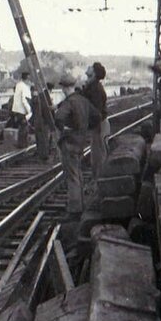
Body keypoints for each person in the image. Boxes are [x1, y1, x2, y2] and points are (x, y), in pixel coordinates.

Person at [55, 74, 99, 218]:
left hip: (69, 142)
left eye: (63, 88)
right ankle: (81, 204)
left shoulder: (69, 102)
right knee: (78, 173)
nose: (62, 91)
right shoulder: (83, 101)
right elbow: (97, 116)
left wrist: (66, 129)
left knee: (72, 176)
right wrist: (85, 129)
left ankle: (74, 209)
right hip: (81, 142)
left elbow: (59, 118)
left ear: (66, 88)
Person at [82, 62, 108, 181]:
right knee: (96, 153)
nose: (88, 67)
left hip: (98, 125)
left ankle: (99, 180)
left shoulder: (95, 89)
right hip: (97, 125)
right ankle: (97, 179)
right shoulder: (92, 86)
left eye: (91, 67)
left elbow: (96, 112)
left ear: (94, 74)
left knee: (98, 155)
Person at [12, 72, 32, 148]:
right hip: (22, 110)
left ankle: (21, 143)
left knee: (21, 127)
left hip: (17, 110)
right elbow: (24, 100)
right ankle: (23, 144)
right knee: (24, 127)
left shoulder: (18, 85)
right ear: (27, 79)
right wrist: (29, 110)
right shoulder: (24, 87)